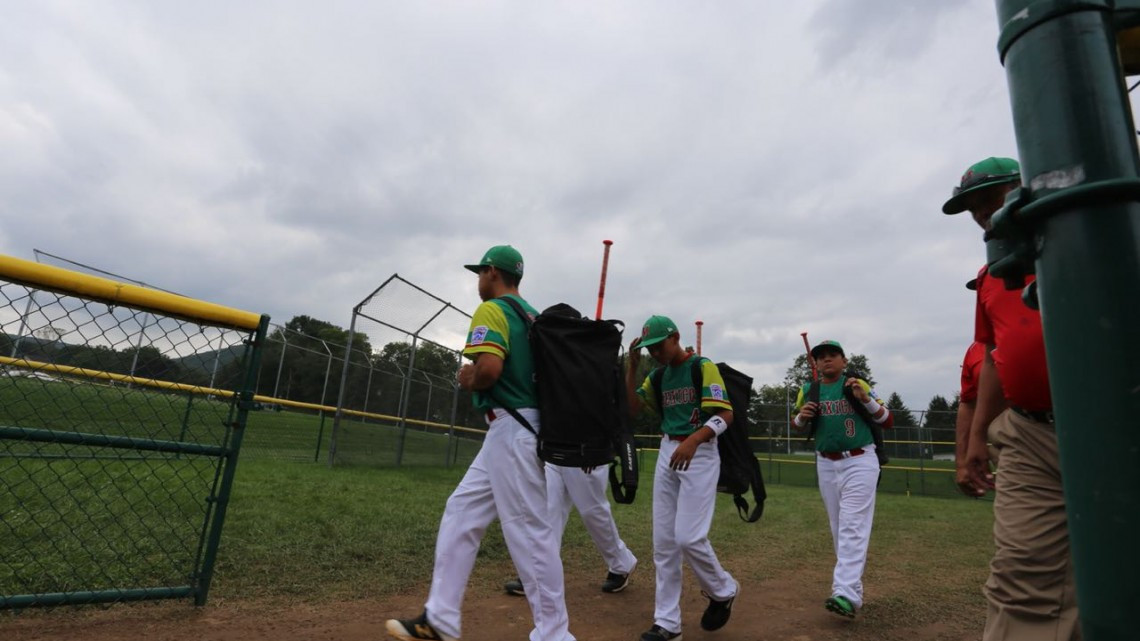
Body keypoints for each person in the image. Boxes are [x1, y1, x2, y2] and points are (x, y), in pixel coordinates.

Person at [386, 245, 576, 641]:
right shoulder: (533, 316)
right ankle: (440, 618)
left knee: (529, 534)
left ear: (492, 272)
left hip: (514, 428)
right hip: (520, 429)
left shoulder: (493, 310)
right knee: (462, 511)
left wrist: (468, 377)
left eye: (480, 272)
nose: (478, 280)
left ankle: (555, 635)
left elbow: (489, 370)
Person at [943, 157, 1080, 640]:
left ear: (1026, 186)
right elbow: (994, 358)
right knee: (1020, 570)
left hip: (1111, 423)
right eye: (972, 208)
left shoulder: (1092, 237)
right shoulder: (993, 276)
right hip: (1028, 433)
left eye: (990, 197)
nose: (981, 213)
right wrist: (977, 437)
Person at [626, 315, 738, 641]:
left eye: (658, 346)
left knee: (689, 538)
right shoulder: (658, 375)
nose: (655, 353)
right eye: (649, 349)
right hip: (667, 450)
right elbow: (632, 409)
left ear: (675, 337)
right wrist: (633, 366)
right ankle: (667, 624)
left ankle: (723, 589)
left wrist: (694, 439)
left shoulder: (702, 367)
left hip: (699, 452)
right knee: (664, 544)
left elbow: (726, 414)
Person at [791, 340, 892, 619]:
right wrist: (801, 417)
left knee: (851, 525)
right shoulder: (808, 390)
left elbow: (887, 420)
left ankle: (843, 592)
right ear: (815, 363)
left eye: (833, 355)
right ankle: (852, 593)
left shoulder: (855, 384)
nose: (827, 360)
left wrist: (865, 399)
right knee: (839, 528)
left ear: (844, 361)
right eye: (821, 357)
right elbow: (796, 425)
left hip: (859, 460)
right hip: (826, 462)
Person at [503, 463, 638, 596]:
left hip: (586, 457)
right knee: (547, 511)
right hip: (553, 456)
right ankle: (539, 572)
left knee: (592, 513)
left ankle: (622, 562)